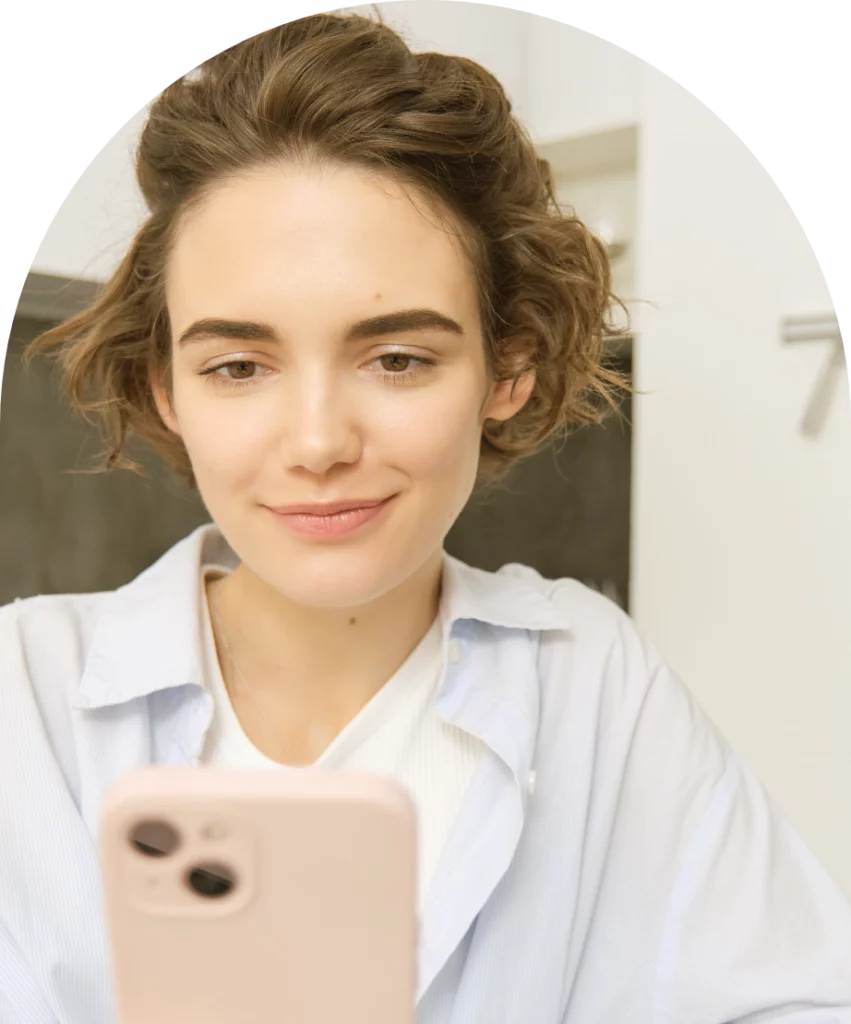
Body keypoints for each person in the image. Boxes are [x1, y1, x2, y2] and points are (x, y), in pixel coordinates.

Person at [2, 10, 850, 1024]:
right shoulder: (24, 697)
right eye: (238, 366)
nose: (317, 443)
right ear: (170, 389)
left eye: (397, 358)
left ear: (508, 366)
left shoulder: (589, 678)